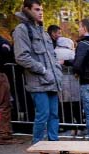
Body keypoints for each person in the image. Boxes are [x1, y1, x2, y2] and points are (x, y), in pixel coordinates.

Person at [13, 0, 63, 144]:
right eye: (36, 9)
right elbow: (21, 57)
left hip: (52, 80)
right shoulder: (22, 29)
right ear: (27, 10)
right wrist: (43, 70)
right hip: (38, 82)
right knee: (43, 114)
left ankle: (53, 142)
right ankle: (38, 143)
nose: (41, 12)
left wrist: (57, 72)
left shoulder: (43, 31)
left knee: (54, 114)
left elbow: (52, 55)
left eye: (41, 9)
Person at [0, 36, 14, 144]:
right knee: (4, 105)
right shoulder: (2, 42)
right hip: (0, 74)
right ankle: (3, 134)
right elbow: (8, 52)